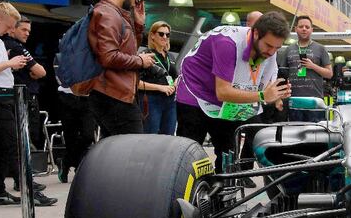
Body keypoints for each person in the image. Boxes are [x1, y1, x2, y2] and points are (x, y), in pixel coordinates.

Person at [176, 11, 291, 173]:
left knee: (228, 154)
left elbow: (266, 87)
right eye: (269, 46)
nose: (272, 52)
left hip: (226, 101)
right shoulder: (227, 43)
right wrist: (262, 95)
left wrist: (278, 94)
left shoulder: (268, 48)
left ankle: (224, 193)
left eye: (277, 48)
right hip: (194, 94)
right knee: (187, 152)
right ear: (256, 33)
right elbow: (222, 92)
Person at [0, 2, 56, 207]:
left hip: (4, 96)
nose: (10, 30)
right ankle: (28, 188)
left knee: (3, 147)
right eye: (9, 26)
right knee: (14, 145)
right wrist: (9, 64)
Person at [87, 0, 155, 137]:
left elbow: (127, 49)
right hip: (114, 94)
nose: (134, 3)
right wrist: (140, 61)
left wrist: (138, 26)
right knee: (132, 151)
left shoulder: (112, 14)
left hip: (113, 93)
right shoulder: (108, 15)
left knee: (116, 153)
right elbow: (108, 56)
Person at [2, 16, 49, 194]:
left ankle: (18, 180)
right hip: (20, 98)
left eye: (29, 31)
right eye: (23, 30)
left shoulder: (2, 44)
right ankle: (23, 180)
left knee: (14, 142)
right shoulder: (15, 46)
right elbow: (40, 71)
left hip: (11, 97)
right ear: (12, 28)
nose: (27, 34)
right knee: (22, 142)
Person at [276, 15, 333, 122]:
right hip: (293, 101)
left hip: (315, 101)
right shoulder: (288, 50)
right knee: (295, 133)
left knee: (316, 134)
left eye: (307, 27)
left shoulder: (321, 49)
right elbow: (281, 76)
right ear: (295, 29)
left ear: (312, 29)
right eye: (301, 26)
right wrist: (279, 97)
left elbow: (329, 74)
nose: (304, 29)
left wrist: (313, 66)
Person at [138, 21, 177, 135]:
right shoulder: (145, 55)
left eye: (167, 34)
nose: (165, 37)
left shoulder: (170, 56)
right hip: (152, 100)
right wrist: (160, 88)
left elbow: (176, 76)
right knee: (151, 136)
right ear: (152, 35)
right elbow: (136, 83)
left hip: (170, 101)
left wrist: (175, 83)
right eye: (161, 34)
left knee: (168, 136)